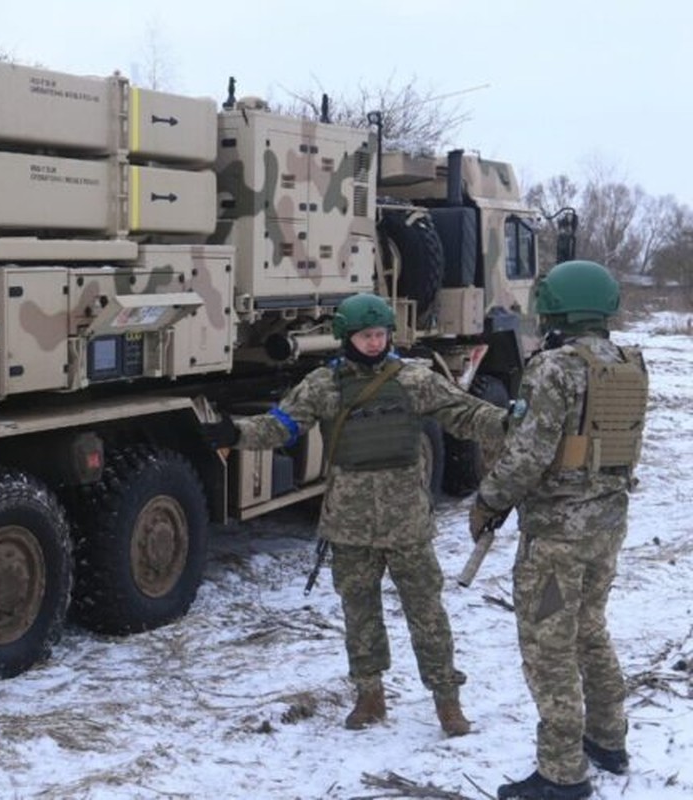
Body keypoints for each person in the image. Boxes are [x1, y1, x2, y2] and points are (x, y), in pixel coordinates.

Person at [203, 293, 507, 736]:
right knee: (359, 612)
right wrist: (235, 432)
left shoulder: (413, 380)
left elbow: (465, 413)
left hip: (407, 522)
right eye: (366, 335)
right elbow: (282, 425)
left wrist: (509, 420)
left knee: (427, 612)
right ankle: (370, 696)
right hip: (350, 522)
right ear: (347, 336)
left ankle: (447, 701)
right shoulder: (323, 386)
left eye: (381, 334)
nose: (374, 342)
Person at [469, 261, 647, 800]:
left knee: (550, 647)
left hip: (557, 535)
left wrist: (487, 501)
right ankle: (608, 739)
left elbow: (527, 456)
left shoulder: (554, 368)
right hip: (606, 524)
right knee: (589, 629)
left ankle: (562, 772)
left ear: (555, 309)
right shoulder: (627, 364)